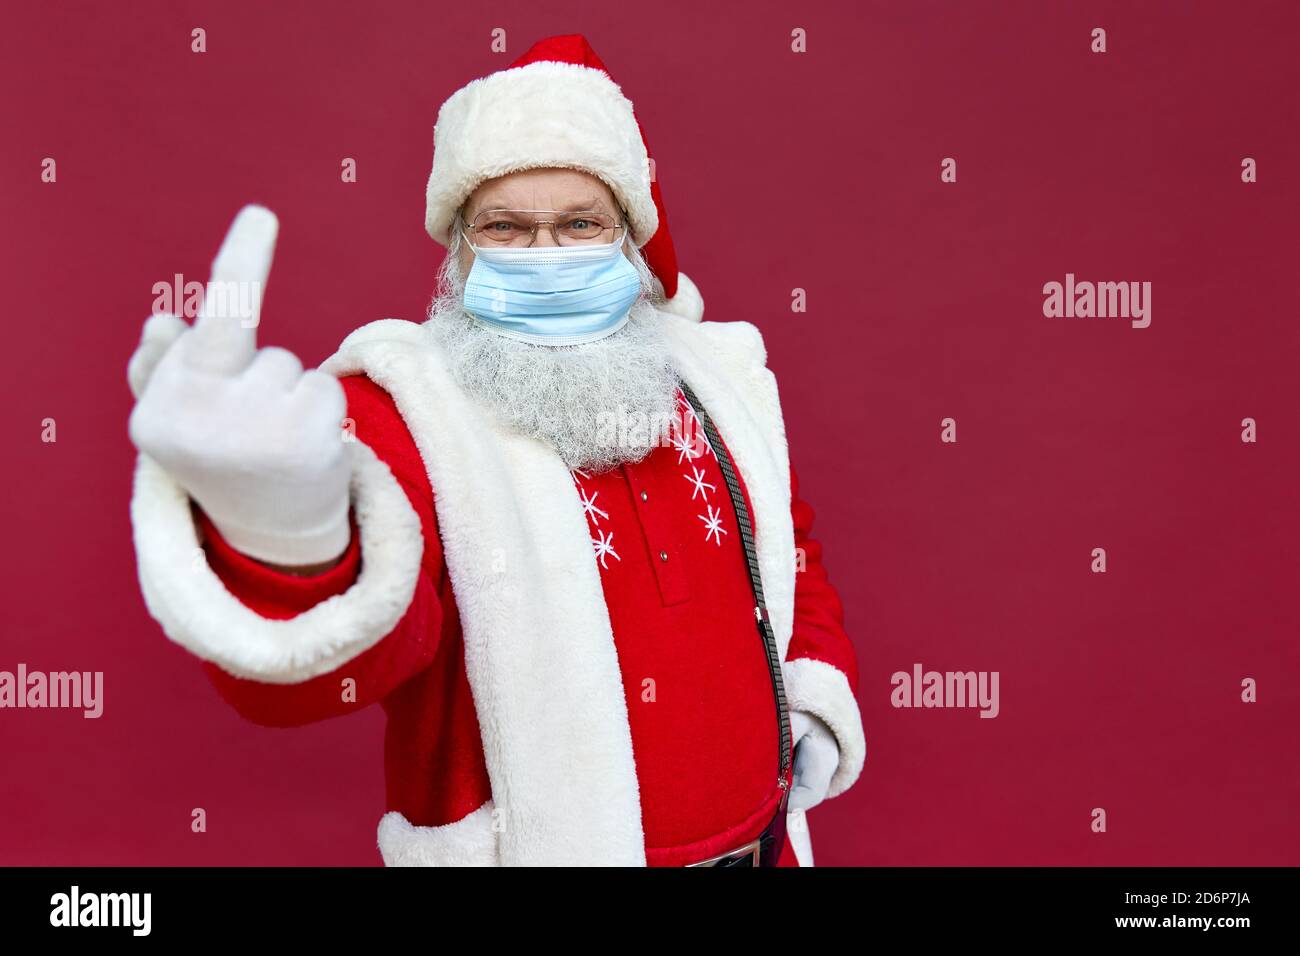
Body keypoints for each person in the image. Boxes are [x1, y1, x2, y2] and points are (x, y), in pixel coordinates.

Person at [127, 33, 865, 867]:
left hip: (765, 850)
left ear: (629, 235)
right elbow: (330, 665)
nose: (546, 254)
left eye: (581, 224)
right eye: (505, 228)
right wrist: (284, 522)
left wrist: (810, 691)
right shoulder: (402, 407)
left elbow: (790, 554)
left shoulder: (718, 376)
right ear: (458, 248)